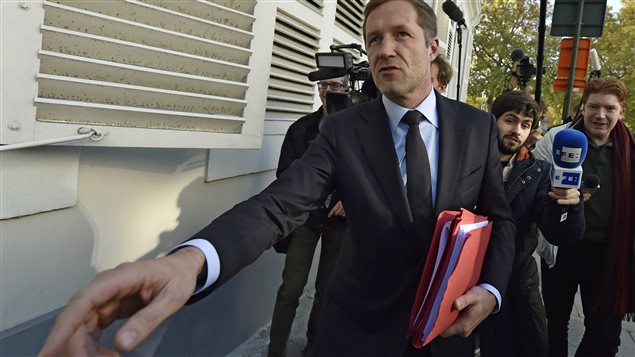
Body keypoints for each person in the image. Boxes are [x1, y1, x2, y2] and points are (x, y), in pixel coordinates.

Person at [40, 1, 523, 355]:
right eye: (374, 39)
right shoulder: (342, 131)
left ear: (433, 47)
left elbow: (499, 219)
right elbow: (276, 206)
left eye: (401, 35)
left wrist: (493, 291)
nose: (385, 49)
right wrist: (190, 262)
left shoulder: (475, 126)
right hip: (355, 334)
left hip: (448, 331)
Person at [478, 90, 585, 357]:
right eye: (510, 120)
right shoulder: (470, 161)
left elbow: (556, 232)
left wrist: (570, 206)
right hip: (466, 276)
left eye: (525, 125)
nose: (517, 130)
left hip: (518, 287)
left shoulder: (538, 172)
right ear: (494, 119)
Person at [533, 77, 634, 357]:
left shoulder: (631, 150)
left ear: (621, 112)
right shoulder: (557, 140)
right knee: (555, 326)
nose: (600, 115)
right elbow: (532, 188)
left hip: (608, 258)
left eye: (609, 109)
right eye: (594, 107)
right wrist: (552, 198)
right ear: (583, 108)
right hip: (560, 252)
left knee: (604, 337)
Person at [268, 76, 348, 357]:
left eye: (336, 85)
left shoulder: (361, 132)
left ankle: (314, 346)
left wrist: (351, 199)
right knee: (290, 289)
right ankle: (275, 351)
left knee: (327, 291)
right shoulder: (301, 129)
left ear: (348, 88)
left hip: (340, 224)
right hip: (306, 219)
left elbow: (377, 176)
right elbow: (284, 175)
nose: (329, 91)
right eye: (324, 85)